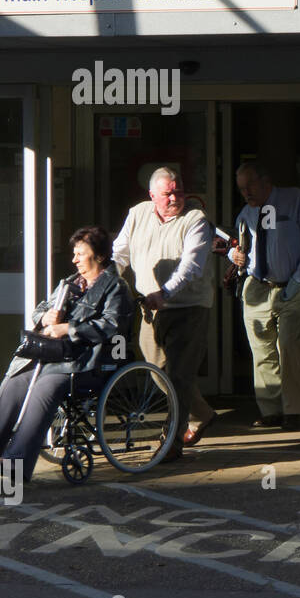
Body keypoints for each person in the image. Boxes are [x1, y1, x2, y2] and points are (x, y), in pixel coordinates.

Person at [0, 227, 133, 481]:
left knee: (46, 387)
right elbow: (40, 310)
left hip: (90, 363)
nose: (74, 259)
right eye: (74, 253)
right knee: (16, 380)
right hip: (59, 356)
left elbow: (111, 326)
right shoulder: (69, 283)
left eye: (80, 254)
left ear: (99, 257)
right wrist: (46, 316)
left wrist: (69, 327)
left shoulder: (116, 288)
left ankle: (15, 464)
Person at [112, 167, 216, 457]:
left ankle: (172, 440)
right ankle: (202, 413)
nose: (174, 197)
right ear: (152, 195)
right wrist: (105, 280)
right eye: (167, 193)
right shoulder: (138, 213)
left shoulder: (195, 220)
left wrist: (165, 292)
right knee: (158, 373)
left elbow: (191, 266)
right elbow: (119, 253)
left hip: (188, 307)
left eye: (178, 191)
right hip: (149, 307)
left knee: (180, 376)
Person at [222, 160, 300, 433]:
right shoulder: (246, 212)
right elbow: (237, 245)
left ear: (265, 181)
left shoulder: (294, 200)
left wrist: (299, 280)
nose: (246, 194)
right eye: (241, 189)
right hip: (258, 285)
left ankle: (294, 410)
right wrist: (234, 255)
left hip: (292, 284)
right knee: (261, 352)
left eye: (249, 186)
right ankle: (271, 410)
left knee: (288, 347)